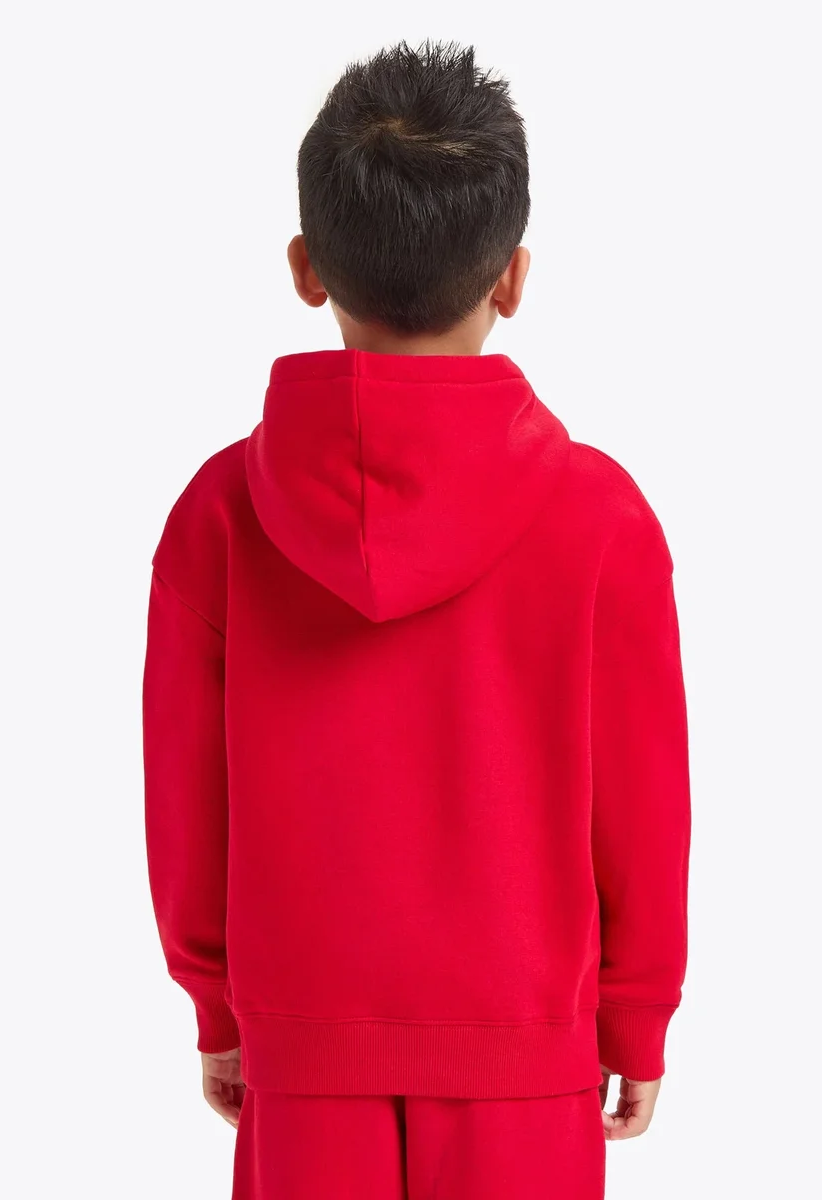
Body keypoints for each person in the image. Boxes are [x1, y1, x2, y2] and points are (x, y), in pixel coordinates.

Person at [143, 40, 691, 1200]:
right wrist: (633, 1017)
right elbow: (641, 799)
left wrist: (218, 1005)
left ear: (305, 268)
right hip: (525, 1058)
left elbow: (183, 795)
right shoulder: (600, 518)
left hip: (301, 1051)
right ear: (512, 279)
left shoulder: (219, 516)